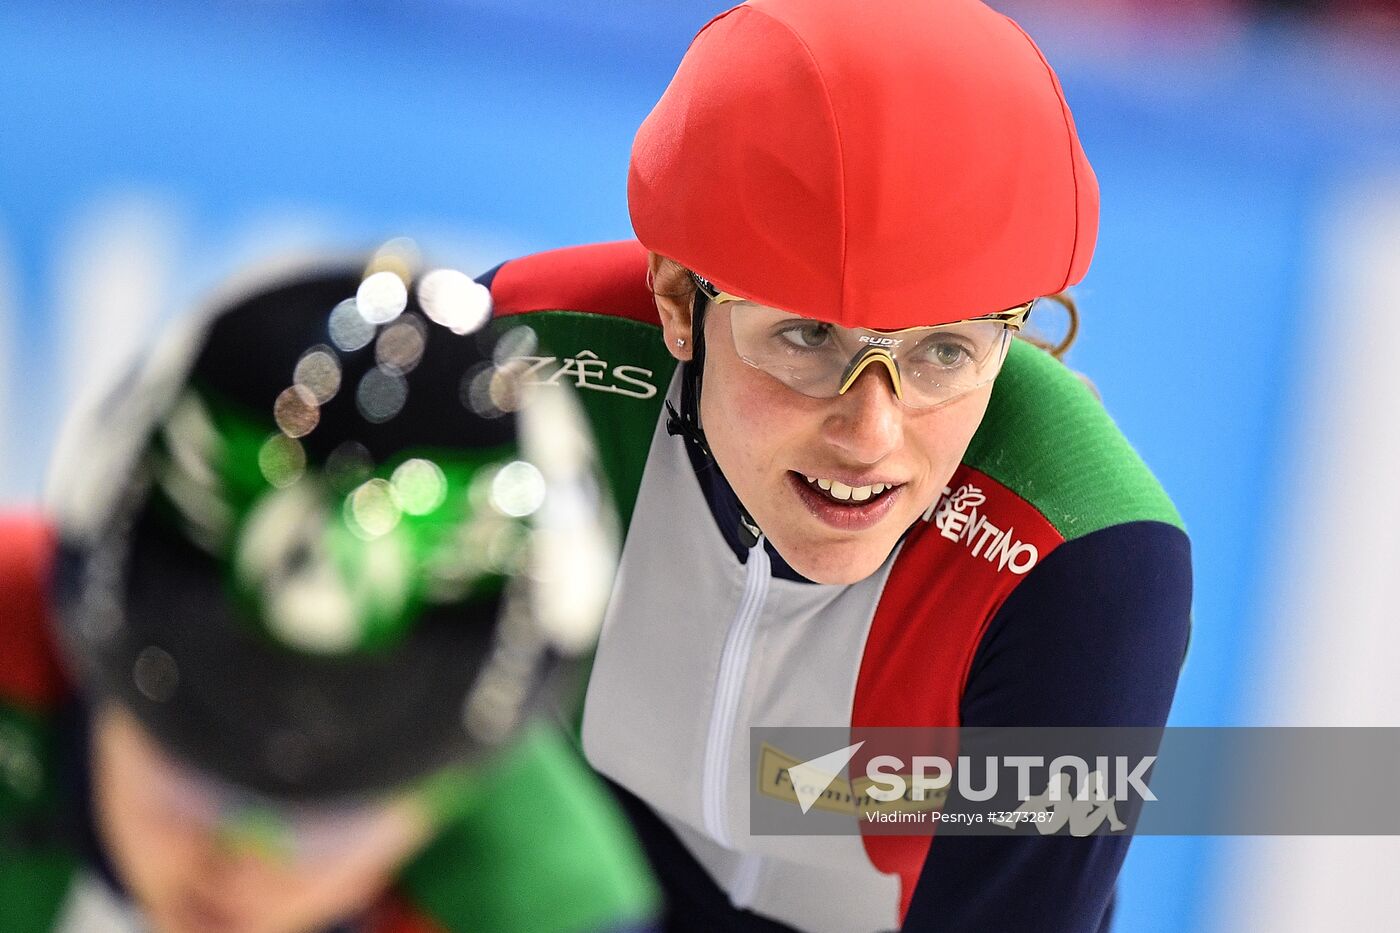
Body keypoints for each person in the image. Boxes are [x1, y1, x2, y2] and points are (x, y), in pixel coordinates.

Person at [471, 1, 1193, 930]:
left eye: (946, 351)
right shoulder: (522, 363)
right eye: (808, 336)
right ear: (678, 300)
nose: (870, 435)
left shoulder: (1085, 559)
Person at [0, 255, 658, 932]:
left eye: (328, 822)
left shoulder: (541, 899)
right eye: (192, 786)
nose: (244, 863)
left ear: (450, 797)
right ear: (70, 646)